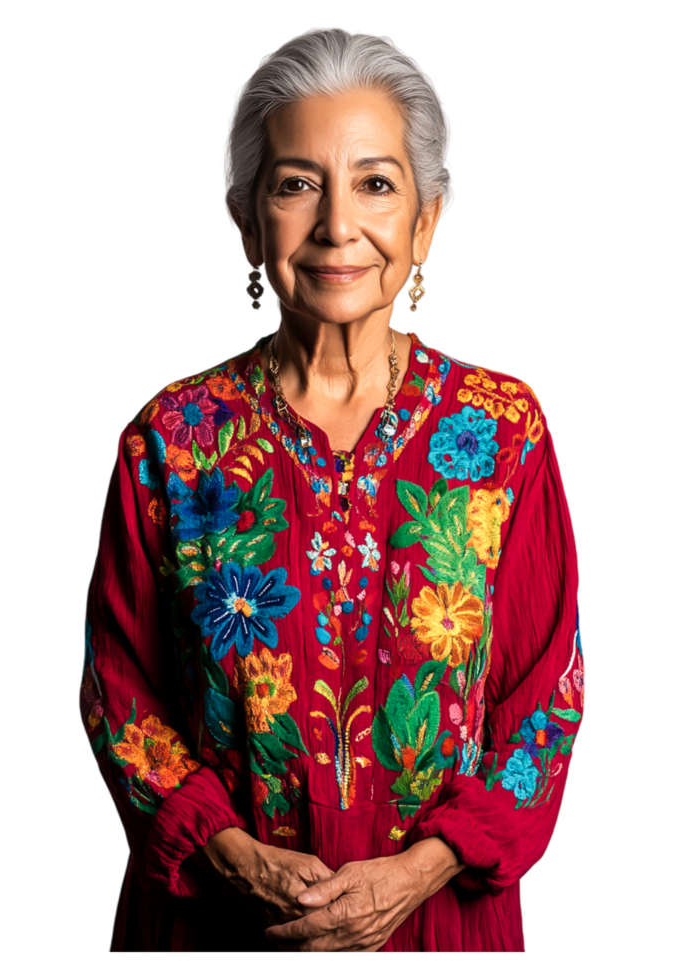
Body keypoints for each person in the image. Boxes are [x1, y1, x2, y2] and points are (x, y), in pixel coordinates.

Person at [80, 25, 584, 954]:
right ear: (245, 217)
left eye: (377, 184)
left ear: (430, 216)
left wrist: (423, 867)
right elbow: (118, 687)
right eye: (296, 184)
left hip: (440, 921)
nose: (337, 226)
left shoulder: (503, 427)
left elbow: (544, 697)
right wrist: (228, 852)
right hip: (214, 923)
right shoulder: (174, 437)